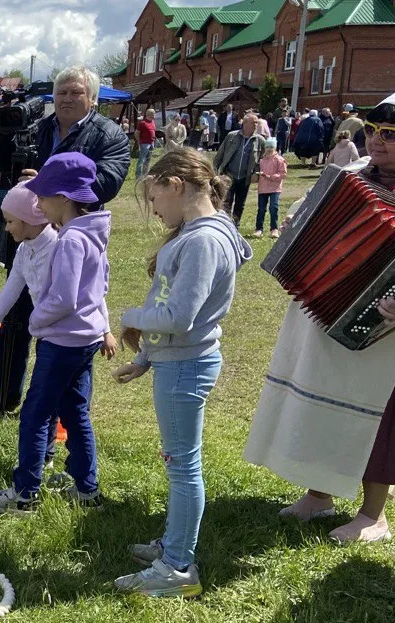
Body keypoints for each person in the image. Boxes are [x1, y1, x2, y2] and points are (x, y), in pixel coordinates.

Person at [245, 93, 395, 544]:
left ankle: (374, 514)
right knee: (323, 395)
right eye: (372, 131)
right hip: (328, 308)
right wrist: (295, 224)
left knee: (379, 414)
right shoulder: (348, 175)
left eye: (389, 135)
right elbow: (306, 217)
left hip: (385, 327)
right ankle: (320, 493)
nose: (378, 142)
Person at [110, 148, 252, 598]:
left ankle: (177, 567)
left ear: (175, 185)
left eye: (155, 198)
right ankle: (173, 544)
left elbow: (179, 316)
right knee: (179, 464)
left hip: (186, 368)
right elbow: (172, 306)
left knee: (183, 468)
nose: (155, 210)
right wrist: (145, 359)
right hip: (176, 363)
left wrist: (129, 316)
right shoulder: (198, 232)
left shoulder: (203, 241)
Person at [0, 65, 129, 415]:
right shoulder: (37, 128)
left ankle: (68, 411)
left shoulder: (110, 135)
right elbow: (1, 171)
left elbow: (107, 183)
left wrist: (47, 179)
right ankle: (4, 396)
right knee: (16, 313)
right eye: (61, 92)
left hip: (73, 236)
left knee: (71, 314)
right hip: (29, 233)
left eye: (76, 92)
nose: (67, 98)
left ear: (92, 98)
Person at [0, 153, 110, 514]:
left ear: (63, 199)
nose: (40, 203)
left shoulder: (68, 240)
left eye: (43, 197)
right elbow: (100, 285)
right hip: (84, 340)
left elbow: (65, 297)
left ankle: (25, 496)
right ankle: (88, 491)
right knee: (76, 412)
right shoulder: (90, 232)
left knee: (36, 414)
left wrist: (37, 322)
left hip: (62, 341)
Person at [213, 114, 265, 226]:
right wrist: (215, 171)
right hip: (228, 175)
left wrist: (256, 172)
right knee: (226, 201)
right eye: (253, 122)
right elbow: (220, 155)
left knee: (240, 204)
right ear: (245, 124)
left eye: (257, 123)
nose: (256, 125)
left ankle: (235, 225)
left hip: (245, 177)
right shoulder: (231, 136)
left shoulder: (259, 140)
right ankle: (225, 225)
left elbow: (262, 159)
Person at [254, 138, 288, 239]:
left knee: (273, 208)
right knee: (261, 209)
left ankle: (274, 229)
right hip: (263, 188)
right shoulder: (262, 160)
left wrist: (269, 176)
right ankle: (258, 229)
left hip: (275, 188)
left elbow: (283, 174)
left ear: (275, 148)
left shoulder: (280, 160)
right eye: (267, 147)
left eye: (271, 147)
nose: (269, 149)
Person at [136, 109, 158, 178]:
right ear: (150, 114)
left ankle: (145, 174)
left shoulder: (153, 122)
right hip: (145, 143)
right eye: (154, 113)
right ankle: (138, 175)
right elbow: (136, 133)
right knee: (142, 159)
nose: (154, 115)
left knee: (148, 159)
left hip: (152, 143)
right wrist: (139, 141)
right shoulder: (142, 123)